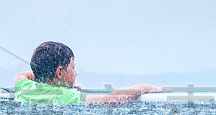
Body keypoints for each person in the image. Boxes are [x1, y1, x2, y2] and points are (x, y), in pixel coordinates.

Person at [13, 41, 165, 105]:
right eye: (73, 68)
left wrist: (57, 80)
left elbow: (22, 75)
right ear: (60, 72)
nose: (76, 73)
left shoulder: (24, 87)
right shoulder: (65, 96)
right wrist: (145, 87)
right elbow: (113, 98)